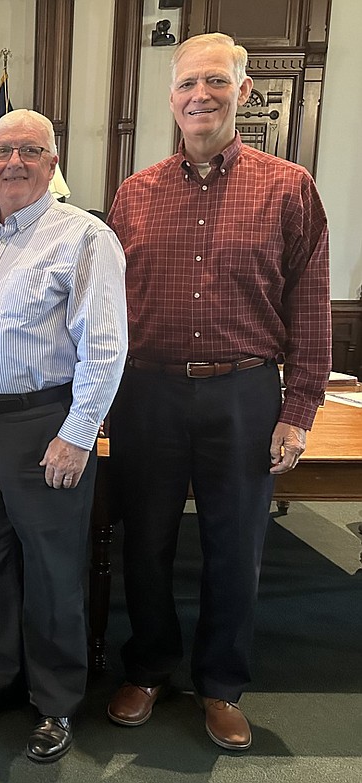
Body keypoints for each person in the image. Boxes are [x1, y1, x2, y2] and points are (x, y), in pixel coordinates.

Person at [105, 33, 330, 752]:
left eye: (214, 82)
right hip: (148, 393)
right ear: (170, 99)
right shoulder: (134, 194)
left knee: (237, 545)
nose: (198, 95)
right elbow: (107, 310)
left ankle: (222, 683)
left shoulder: (288, 186)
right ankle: (148, 666)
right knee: (145, 540)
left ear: (244, 91)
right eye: (185, 85)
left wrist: (299, 410)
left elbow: (312, 305)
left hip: (244, 393)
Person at [0, 109, 127, 763]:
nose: (14, 161)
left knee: (53, 568)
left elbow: (106, 345)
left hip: (45, 424)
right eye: (2, 151)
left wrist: (78, 431)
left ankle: (58, 700)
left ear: (52, 161)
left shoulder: (84, 237)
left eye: (30, 150)